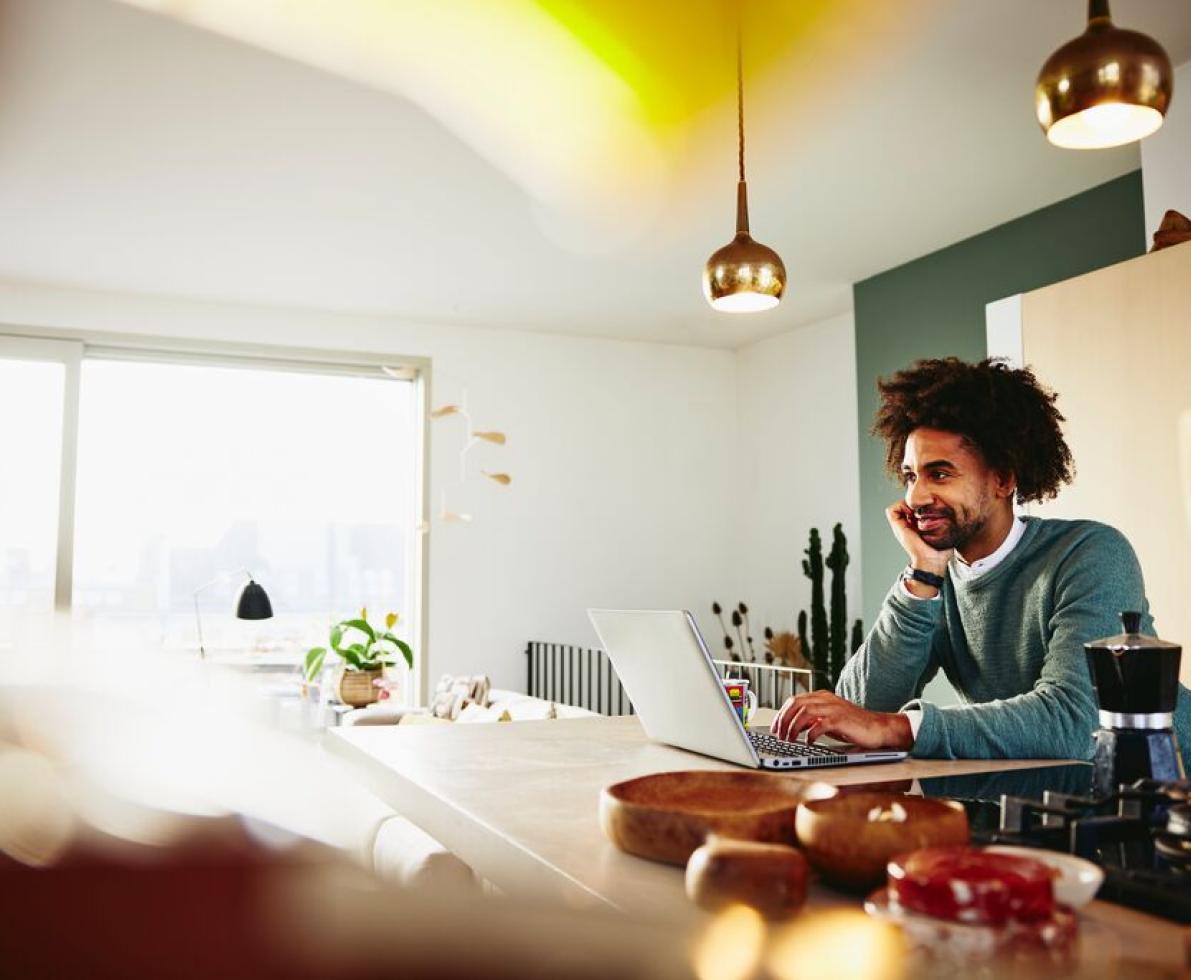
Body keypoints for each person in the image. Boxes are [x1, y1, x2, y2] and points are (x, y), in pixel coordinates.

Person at [770, 356, 1191, 764]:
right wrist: (921, 578)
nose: (914, 497)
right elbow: (859, 708)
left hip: (1168, 798)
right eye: (911, 475)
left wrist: (900, 728)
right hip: (1052, 803)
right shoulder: (935, 578)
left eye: (940, 473)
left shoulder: (1090, 553)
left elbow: (1075, 722)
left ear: (1003, 479)